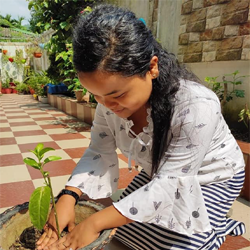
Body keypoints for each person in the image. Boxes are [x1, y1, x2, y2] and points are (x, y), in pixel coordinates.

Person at [37, 4, 246, 250]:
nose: (106, 105)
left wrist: (93, 223)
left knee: (173, 244)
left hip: (210, 176)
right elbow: (98, 150)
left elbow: (172, 183)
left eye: (118, 95)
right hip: (160, 174)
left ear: (152, 67)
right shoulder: (108, 103)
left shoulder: (196, 104)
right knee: (123, 233)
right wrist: (68, 196)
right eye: (96, 95)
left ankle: (215, 226)